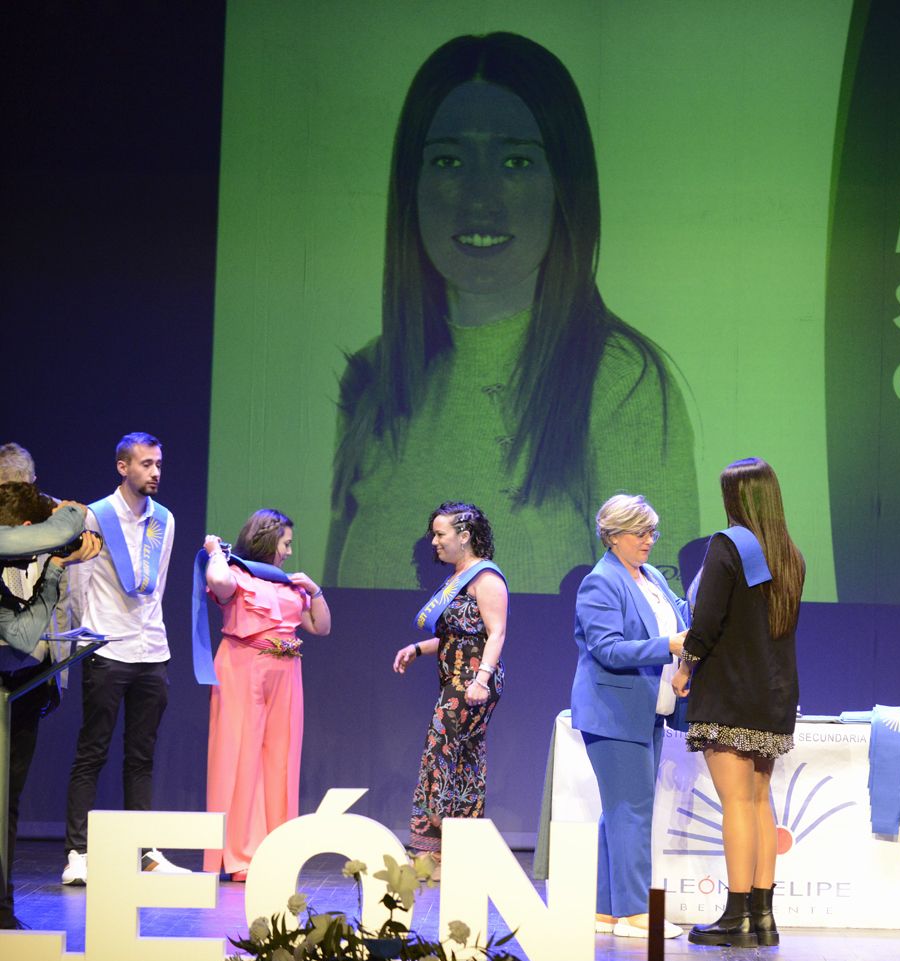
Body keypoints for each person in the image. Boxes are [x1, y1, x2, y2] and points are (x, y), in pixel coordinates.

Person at [326, 32, 697, 594]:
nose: (480, 196)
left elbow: (658, 624)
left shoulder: (622, 381)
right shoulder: (371, 377)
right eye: (448, 160)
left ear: (563, 186)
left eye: (516, 160)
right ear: (413, 183)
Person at [671, 458, 805, 947]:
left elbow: (706, 622)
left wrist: (686, 667)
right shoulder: (789, 553)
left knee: (735, 804)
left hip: (730, 689)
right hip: (774, 692)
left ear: (739, 499)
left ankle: (734, 917)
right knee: (758, 803)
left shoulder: (727, 546)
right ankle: (763, 917)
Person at [62, 432, 189, 884]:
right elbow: (77, 583)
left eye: (159, 464)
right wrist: (89, 637)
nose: (155, 472)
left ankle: (145, 853)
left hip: (151, 651)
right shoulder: (95, 516)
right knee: (91, 753)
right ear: (123, 467)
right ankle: (78, 854)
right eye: (146, 464)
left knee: (142, 757)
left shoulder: (165, 520)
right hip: (106, 649)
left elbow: (157, 584)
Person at [571, 494, 690, 940]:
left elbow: (682, 615)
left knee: (620, 812)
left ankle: (605, 910)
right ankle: (638, 912)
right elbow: (606, 648)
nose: (649, 540)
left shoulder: (651, 576)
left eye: (652, 532)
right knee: (632, 812)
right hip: (613, 713)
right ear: (612, 535)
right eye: (639, 533)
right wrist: (670, 647)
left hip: (648, 711)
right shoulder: (601, 582)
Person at [198, 510, 331, 879]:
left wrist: (314, 590)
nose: (289, 552)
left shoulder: (287, 585)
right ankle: (240, 856)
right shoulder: (236, 574)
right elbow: (218, 579)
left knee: (280, 759)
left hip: (285, 672)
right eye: (286, 543)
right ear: (269, 539)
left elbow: (320, 626)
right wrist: (215, 551)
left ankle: (274, 849)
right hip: (243, 667)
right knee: (239, 758)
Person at [1, 481, 103, 928]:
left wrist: (57, 563)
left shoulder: (37, 554)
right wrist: (60, 557)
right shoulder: (15, 540)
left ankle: (3, 908)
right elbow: (23, 634)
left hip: (24, 688)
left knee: (10, 801)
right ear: (26, 529)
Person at [391, 502, 507, 872]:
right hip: (456, 680)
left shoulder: (485, 578)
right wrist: (416, 649)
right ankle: (458, 849)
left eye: (441, 534)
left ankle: (434, 850)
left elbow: (496, 632)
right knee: (464, 760)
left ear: (464, 536)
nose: (435, 542)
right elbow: (455, 638)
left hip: (471, 683)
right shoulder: (458, 577)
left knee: (440, 756)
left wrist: (481, 681)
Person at [0, 443, 89, 560]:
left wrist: (57, 565)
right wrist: (73, 511)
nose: (16, 503)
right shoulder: (63, 516)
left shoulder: (50, 509)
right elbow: (62, 532)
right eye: (7, 495)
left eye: (25, 494)